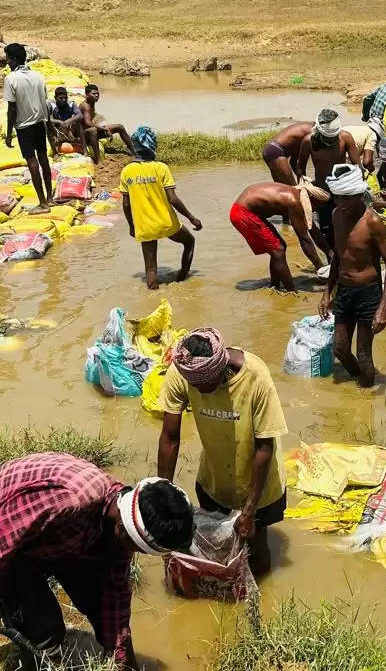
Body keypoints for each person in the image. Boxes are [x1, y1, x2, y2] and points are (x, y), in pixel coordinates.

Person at [0, 452, 194, 670]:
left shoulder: (119, 518)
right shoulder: (73, 500)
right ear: (123, 530)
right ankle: (34, 657)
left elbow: (114, 600)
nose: (136, 555)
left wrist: (124, 661)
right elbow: (6, 526)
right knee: (47, 631)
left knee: (96, 596)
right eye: (141, 549)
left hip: (52, 538)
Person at [158, 328, 289, 575]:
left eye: (203, 385)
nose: (197, 391)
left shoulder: (255, 377)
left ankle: (258, 608)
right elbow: (169, 437)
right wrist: (162, 492)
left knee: (256, 551)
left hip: (259, 488)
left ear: (219, 369)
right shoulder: (184, 369)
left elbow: (264, 446)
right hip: (213, 482)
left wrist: (250, 510)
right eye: (193, 386)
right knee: (215, 551)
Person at [320, 165, 386, 388]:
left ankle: (366, 402)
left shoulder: (372, 222)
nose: (341, 204)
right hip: (344, 291)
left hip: (368, 293)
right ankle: (360, 382)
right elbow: (338, 256)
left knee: (364, 354)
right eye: (338, 198)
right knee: (340, 349)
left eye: (346, 199)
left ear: (358, 195)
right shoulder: (336, 215)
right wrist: (326, 292)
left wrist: (383, 307)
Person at [119, 127, 201, 289]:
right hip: (166, 222)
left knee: (150, 269)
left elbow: (126, 205)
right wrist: (191, 218)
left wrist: (132, 226)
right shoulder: (161, 168)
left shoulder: (127, 171)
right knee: (189, 242)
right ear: (151, 145)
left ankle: (153, 296)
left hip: (144, 226)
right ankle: (181, 280)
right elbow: (173, 199)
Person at [229, 182, 325, 291]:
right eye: (319, 205)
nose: (316, 210)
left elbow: (307, 233)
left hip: (245, 210)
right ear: (311, 199)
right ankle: (291, 292)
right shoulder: (295, 202)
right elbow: (304, 239)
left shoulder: (296, 192)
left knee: (279, 248)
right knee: (278, 250)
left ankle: (275, 285)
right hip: (242, 213)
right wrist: (321, 269)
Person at [295, 108, 359, 255]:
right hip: (323, 192)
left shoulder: (345, 138)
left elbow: (357, 167)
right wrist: (303, 187)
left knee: (346, 225)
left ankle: (348, 256)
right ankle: (334, 258)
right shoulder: (308, 141)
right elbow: (300, 168)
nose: (332, 140)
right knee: (326, 228)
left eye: (333, 137)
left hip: (342, 191)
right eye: (328, 138)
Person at [3, 43, 53, 211]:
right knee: (43, 159)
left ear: (14, 59)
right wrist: (50, 124)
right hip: (40, 123)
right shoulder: (38, 76)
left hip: (24, 127)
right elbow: (44, 102)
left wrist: (9, 133)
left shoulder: (11, 79)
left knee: (32, 162)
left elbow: (12, 109)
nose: (7, 63)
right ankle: (50, 198)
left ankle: (43, 203)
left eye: (8, 59)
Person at [79, 83, 137, 162]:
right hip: (84, 136)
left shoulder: (91, 103)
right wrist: (104, 129)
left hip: (89, 131)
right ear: (87, 95)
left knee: (119, 127)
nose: (96, 95)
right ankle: (98, 160)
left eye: (97, 94)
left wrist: (103, 128)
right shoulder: (85, 106)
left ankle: (134, 152)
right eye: (93, 94)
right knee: (93, 130)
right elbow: (87, 123)